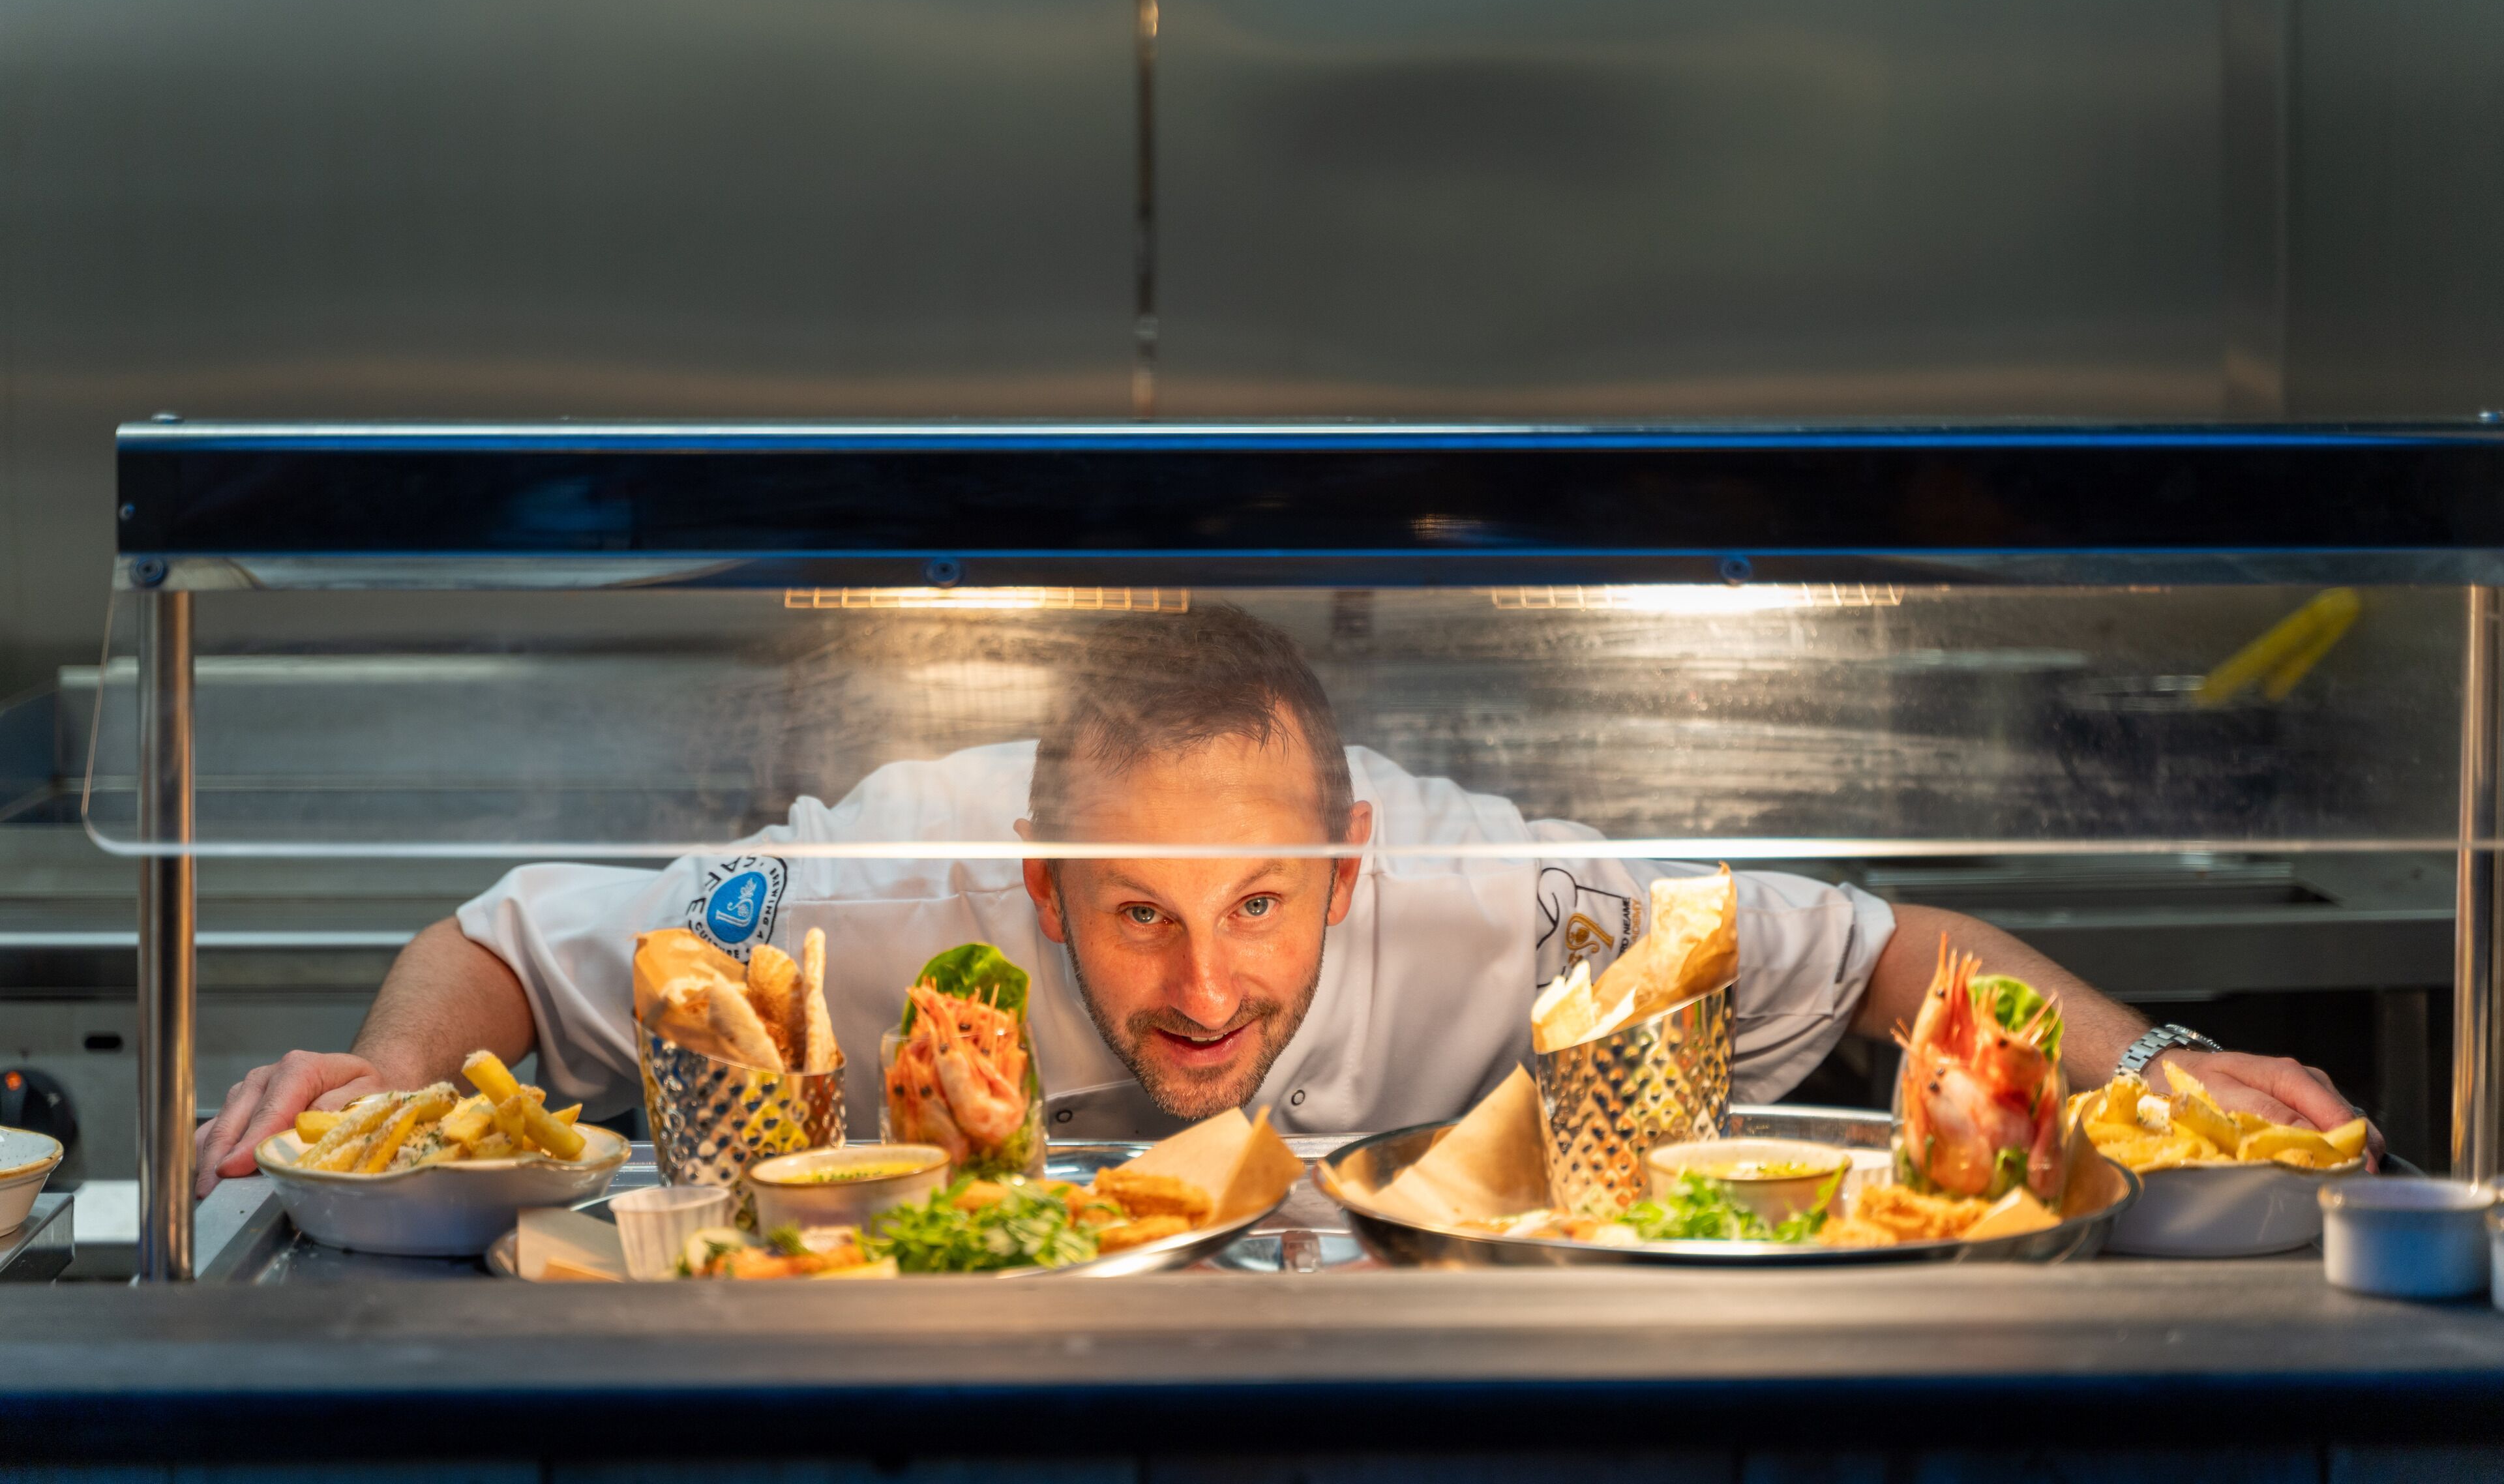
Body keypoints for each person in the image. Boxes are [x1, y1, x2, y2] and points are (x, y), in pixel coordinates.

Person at [194, 605, 2370, 1195]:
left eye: (1258, 906)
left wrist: (2162, 1071)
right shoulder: (880, 879)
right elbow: (504, 938)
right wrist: (387, 1086)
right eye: (1132, 915)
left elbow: (1883, 948)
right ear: (1038, 883)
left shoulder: (1498, 893)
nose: (1202, 984)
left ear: (1347, 864)